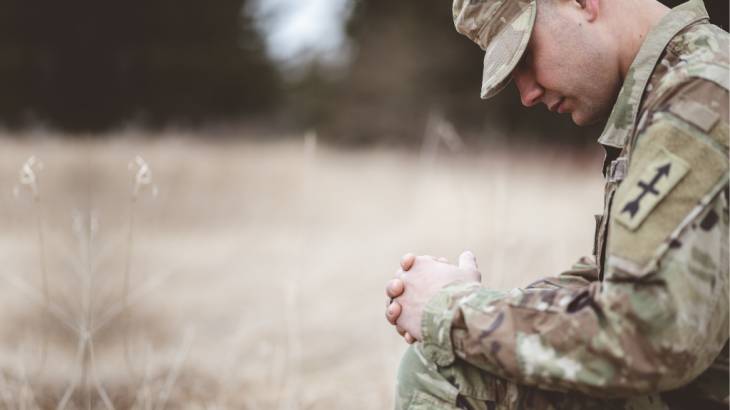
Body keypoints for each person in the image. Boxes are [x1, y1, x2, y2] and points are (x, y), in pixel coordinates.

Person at [383, 0, 729, 408]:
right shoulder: (681, 84)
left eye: (527, 55)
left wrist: (455, 311)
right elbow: (616, 280)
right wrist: (483, 305)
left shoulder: (696, 100)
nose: (527, 93)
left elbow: (652, 334)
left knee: (443, 372)